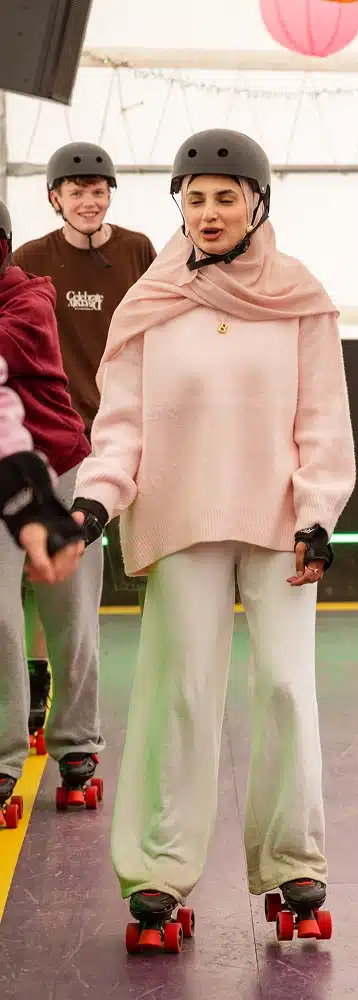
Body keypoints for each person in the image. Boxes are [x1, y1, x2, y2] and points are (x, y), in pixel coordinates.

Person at [70, 128, 356, 951]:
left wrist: (318, 513)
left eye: (225, 196)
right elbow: (120, 427)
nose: (208, 212)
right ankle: (159, 869)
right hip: (181, 514)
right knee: (180, 692)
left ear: (257, 203)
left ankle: (293, 860)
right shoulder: (151, 303)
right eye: (194, 197)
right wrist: (95, 501)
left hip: (278, 523)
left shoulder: (300, 296)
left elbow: (322, 421)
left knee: (284, 690)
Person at [11, 142, 157, 740]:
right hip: (59, 437)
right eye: (77, 193)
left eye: (99, 191)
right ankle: (39, 675)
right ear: (55, 200)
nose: (90, 201)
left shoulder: (137, 251)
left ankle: (165, 669)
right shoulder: (30, 259)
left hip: (126, 426)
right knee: (50, 568)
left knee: (150, 554)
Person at [0, 198, 89, 829]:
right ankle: (4, 759)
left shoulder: (30, 300)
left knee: (70, 619)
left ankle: (77, 746)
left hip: (56, 467)